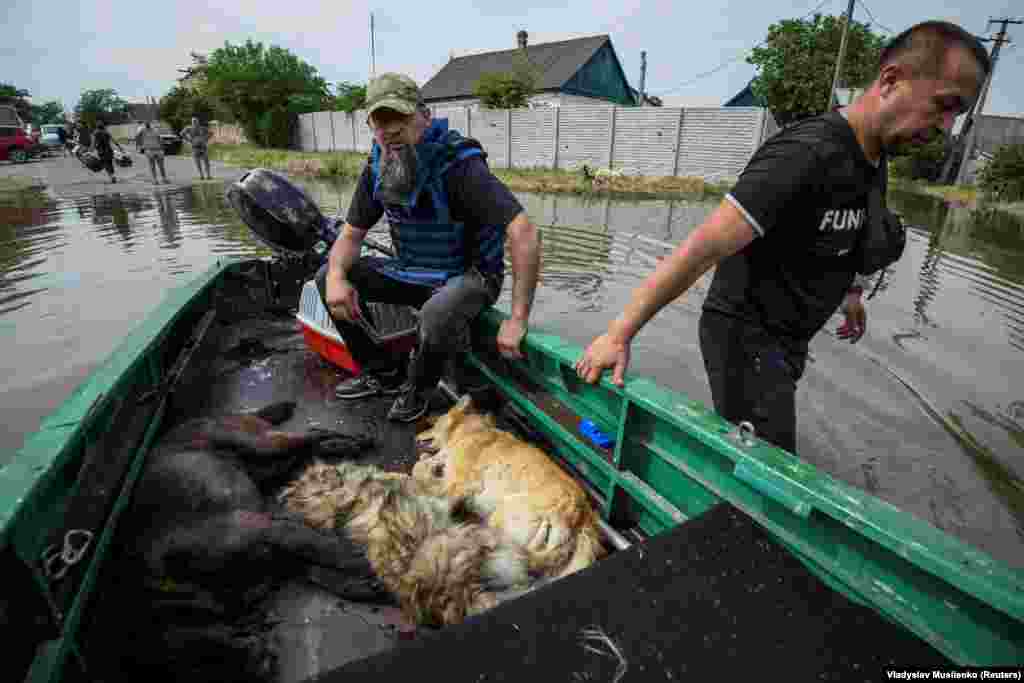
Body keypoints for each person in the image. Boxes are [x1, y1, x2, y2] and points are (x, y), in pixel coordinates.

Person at [574, 20, 990, 454]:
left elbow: (844, 228)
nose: (945, 126)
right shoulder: (805, 153)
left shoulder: (873, 155)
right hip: (746, 336)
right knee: (770, 480)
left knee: (759, 456)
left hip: (789, 340)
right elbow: (700, 250)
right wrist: (618, 334)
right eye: (943, 106)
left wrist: (851, 291)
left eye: (955, 115)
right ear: (890, 80)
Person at [318, 72, 541, 422]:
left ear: (424, 115)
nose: (390, 130)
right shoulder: (378, 165)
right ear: (370, 124)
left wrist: (517, 318)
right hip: (416, 271)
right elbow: (350, 236)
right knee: (326, 277)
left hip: (471, 275)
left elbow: (523, 232)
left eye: (400, 118)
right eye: (380, 120)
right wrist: (335, 275)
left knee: (437, 313)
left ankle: (417, 390)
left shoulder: (459, 165)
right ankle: (383, 375)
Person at [136, 120, 169, 184]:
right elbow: (137, 137)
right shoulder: (142, 131)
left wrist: (162, 147)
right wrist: (140, 145)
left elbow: (159, 138)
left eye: (148, 123)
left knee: (161, 166)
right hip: (149, 150)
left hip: (157, 149)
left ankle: (163, 179)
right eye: (146, 124)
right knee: (152, 165)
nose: (147, 124)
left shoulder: (155, 130)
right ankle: (155, 179)